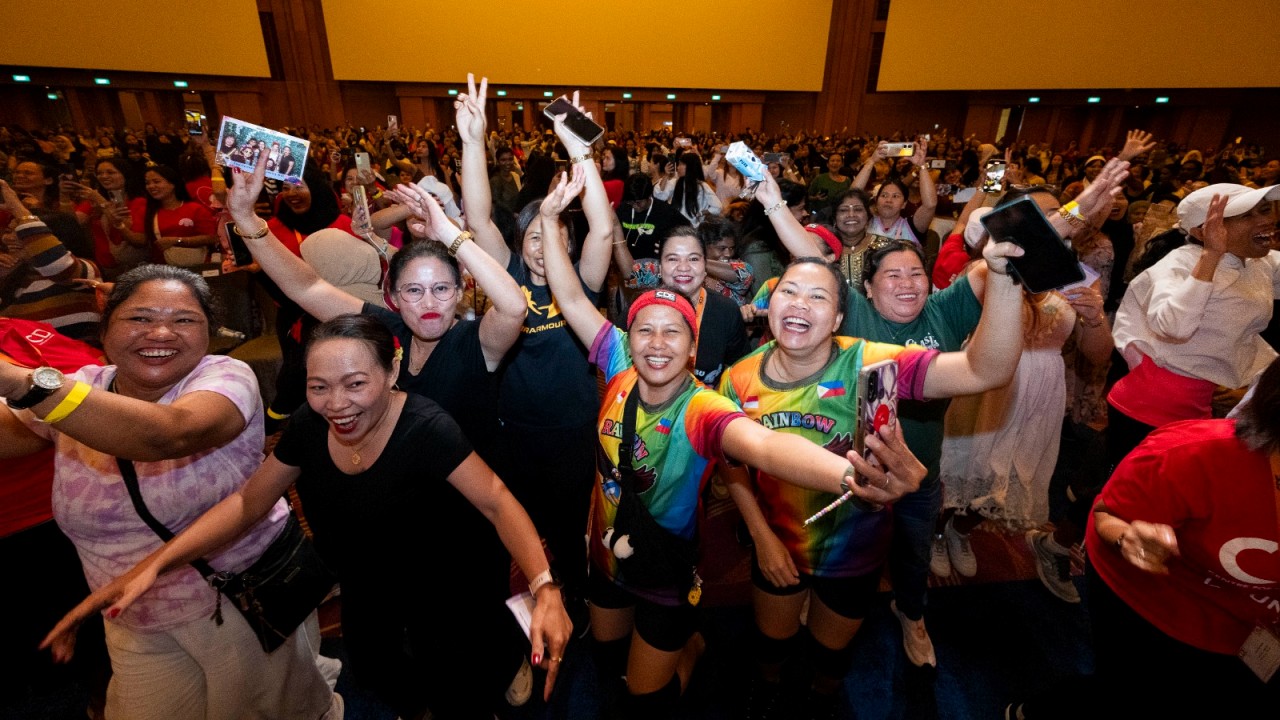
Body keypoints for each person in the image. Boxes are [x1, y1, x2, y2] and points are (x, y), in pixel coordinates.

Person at [44, 314, 573, 720]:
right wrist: (154, 566)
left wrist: (546, 587)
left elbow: (497, 499)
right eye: (319, 387)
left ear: (391, 374)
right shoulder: (306, 425)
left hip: (443, 589)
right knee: (383, 676)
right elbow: (249, 503)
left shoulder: (427, 428)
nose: (336, 404)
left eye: (355, 384)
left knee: (460, 687)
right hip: (367, 589)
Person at [538, 169, 928, 719]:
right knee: (605, 656)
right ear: (626, 339)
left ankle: (689, 654)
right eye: (643, 330)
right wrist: (552, 220)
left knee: (644, 699)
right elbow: (571, 297)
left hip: (665, 569)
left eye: (672, 332)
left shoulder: (702, 406)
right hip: (604, 558)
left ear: (693, 348)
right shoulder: (619, 362)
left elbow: (766, 449)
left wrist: (853, 477)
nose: (656, 343)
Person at [718, 190, 1030, 714]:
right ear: (770, 304)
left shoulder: (873, 362)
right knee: (771, 647)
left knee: (829, 655)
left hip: (854, 548)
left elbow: (985, 370)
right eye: (788, 291)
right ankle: (767, 691)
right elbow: (734, 468)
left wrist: (1001, 278)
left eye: (818, 297)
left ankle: (821, 699)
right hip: (778, 541)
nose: (799, 303)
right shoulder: (736, 378)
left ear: (840, 317)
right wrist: (760, 537)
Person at [0, 264, 338, 720]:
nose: (160, 332)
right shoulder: (83, 389)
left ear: (208, 331)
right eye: (139, 318)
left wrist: (21, 380)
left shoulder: (224, 378)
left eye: (184, 320)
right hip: (131, 615)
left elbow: (169, 434)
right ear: (106, 324)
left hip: (239, 601)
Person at [1008, 357, 1280, 719]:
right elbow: (1109, 514)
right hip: (1153, 601)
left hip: (1245, 627)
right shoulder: (1194, 453)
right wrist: (1128, 539)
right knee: (1131, 692)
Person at [457, 77, 614, 609]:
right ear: (522, 245)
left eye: (556, 241)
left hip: (573, 430)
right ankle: (522, 612)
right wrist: (474, 142)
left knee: (569, 531)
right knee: (514, 528)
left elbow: (600, 228)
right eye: (536, 240)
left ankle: (576, 609)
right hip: (513, 431)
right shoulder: (509, 279)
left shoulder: (583, 287)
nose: (547, 251)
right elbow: (478, 218)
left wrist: (580, 152)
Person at [852, 138, 937, 247]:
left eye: (895, 196)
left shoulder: (912, 226)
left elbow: (930, 205)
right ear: (876, 201)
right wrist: (871, 161)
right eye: (884, 195)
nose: (889, 200)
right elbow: (853, 196)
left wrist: (922, 166)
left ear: (904, 204)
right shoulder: (866, 222)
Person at [137, 165, 217, 267]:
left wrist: (177, 241)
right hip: (163, 271)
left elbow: (211, 238)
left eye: (156, 182)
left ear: (172, 184)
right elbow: (141, 241)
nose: (151, 186)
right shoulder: (149, 212)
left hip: (196, 268)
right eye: (147, 183)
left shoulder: (195, 208)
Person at [654, 153, 723, 226]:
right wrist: (666, 175)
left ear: (690, 166)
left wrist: (700, 213)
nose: (678, 167)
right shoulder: (675, 183)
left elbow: (717, 206)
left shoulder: (702, 186)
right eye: (678, 164)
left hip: (693, 228)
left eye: (681, 164)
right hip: (676, 226)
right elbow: (659, 196)